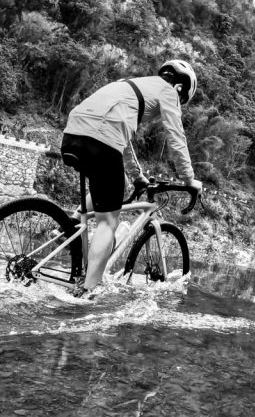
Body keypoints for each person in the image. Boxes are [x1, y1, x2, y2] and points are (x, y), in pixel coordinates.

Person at [61, 59, 203, 297]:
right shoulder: (168, 91)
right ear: (180, 87)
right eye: (182, 98)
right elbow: (176, 136)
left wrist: (137, 177)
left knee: (117, 184)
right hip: (102, 140)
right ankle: (87, 292)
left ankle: (68, 226)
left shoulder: (131, 86)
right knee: (108, 222)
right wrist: (189, 179)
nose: (178, 100)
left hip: (73, 134)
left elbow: (123, 142)